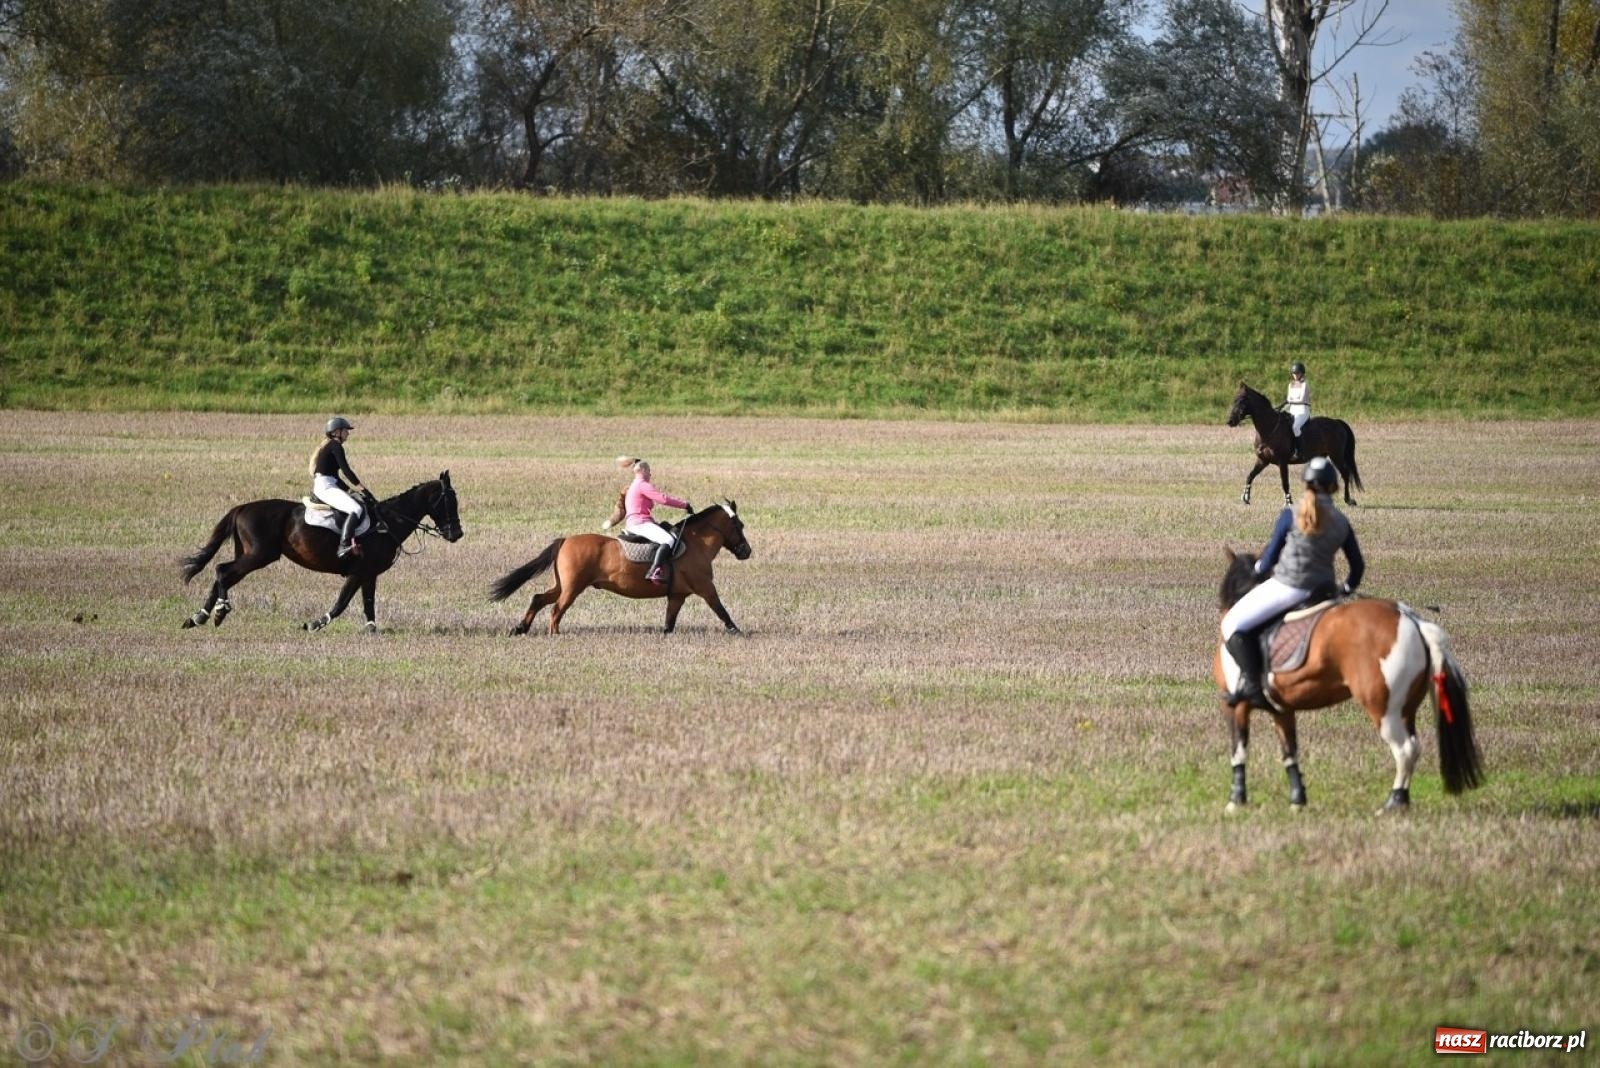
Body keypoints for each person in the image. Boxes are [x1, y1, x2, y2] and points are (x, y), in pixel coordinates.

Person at [1220, 456, 1364, 709]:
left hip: (1289, 587)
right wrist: (1346, 589)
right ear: (1334, 487)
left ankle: (1252, 686)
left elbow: (1270, 560)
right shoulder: (1342, 521)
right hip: (1325, 591)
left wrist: (1256, 569)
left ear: (1306, 484)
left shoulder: (1290, 515)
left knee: (1232, 623)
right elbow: (1357, 568)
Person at [622, 459, 693, 584]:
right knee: (669, 540)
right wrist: (685, 505)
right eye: (649, 471)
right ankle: (654, 570)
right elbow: (663, 499)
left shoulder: (633, 485)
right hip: (640, 523)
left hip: (635, 522)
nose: (650, 474)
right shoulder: (642, 484)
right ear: (643, 470)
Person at [309, 416, 368, 557]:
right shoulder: (335, 445)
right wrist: (361, 487)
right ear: (336, 432)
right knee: (356, 508)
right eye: (345, 430)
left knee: (355, 503)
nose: (348, 433)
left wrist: (350, 490)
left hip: (329, 483)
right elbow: (346, 470)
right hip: (325, 486)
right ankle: (344, 545)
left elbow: (335, 476)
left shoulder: (330, 446)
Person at [1281, 361, 1311, 460]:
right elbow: (1289, 401)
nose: (1295, 375)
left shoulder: (1305, 384)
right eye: (1294, 373)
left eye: (1297, 373)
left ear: (1302, 373)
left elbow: (1301, 399)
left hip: (1303, 411)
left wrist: (1290, 400)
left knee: (1295, 427)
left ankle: (1299, 451)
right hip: (1292, 411)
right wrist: (1280, 409)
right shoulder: (1290, 385)